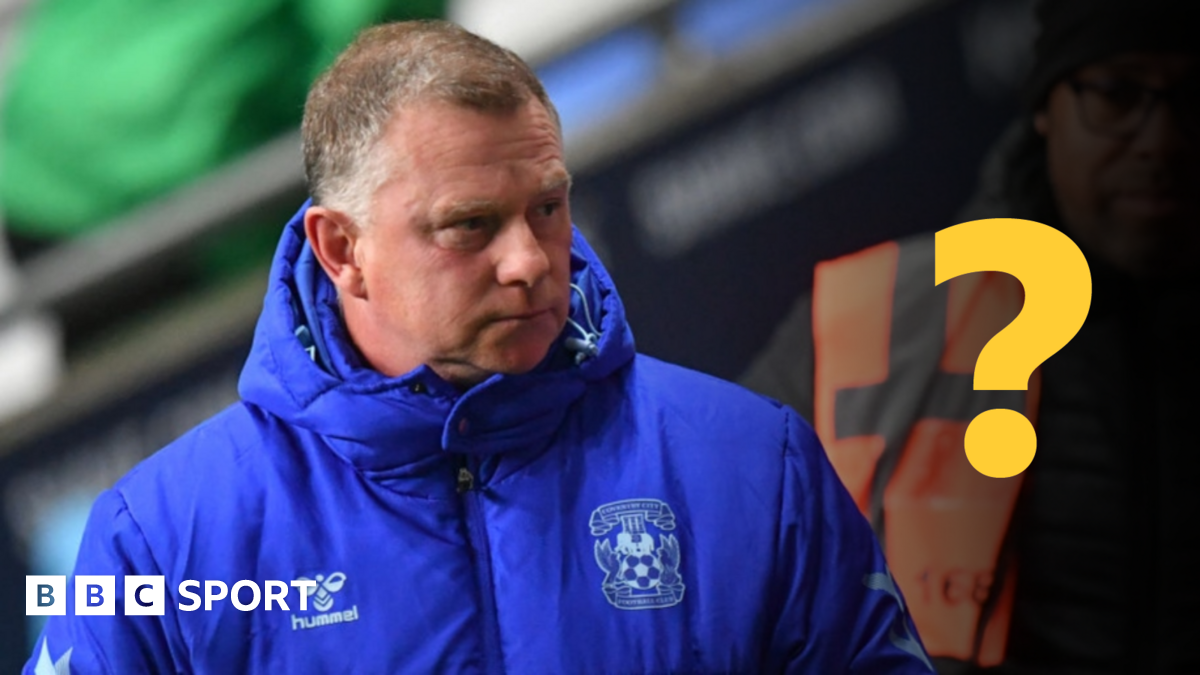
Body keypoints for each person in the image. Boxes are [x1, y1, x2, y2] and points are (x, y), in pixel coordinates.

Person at [25, 21, 932, 673]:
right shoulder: (159, 541)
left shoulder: (752, 462)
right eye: (469, 226)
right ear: (342, 250)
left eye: (548, 206)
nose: (531, 260)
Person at [742, 0, 1198, 672]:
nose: (1160, 140)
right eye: (1117, 93)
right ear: (1047, 104)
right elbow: (719, 562)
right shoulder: (885, 319)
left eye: (1193, 95)